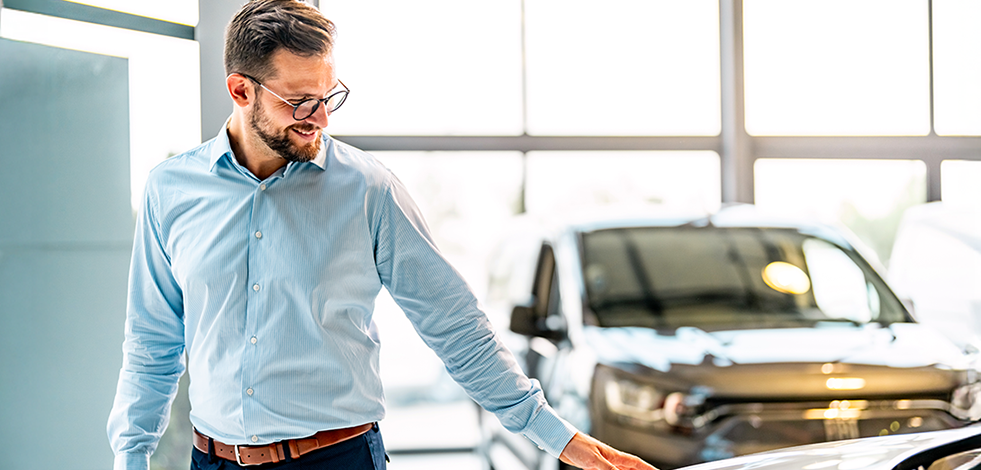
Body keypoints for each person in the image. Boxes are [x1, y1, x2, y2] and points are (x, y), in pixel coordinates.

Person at [106, 1, 658, 469]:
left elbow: (455, 327)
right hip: (214, 458)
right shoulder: (170, 191)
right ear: (240, 90)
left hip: (338, 458)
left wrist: (559, 439)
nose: (319, 118)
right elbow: (153, 345)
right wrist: (131, 458)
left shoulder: (369, 189)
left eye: (329, 96)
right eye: (300, 102)